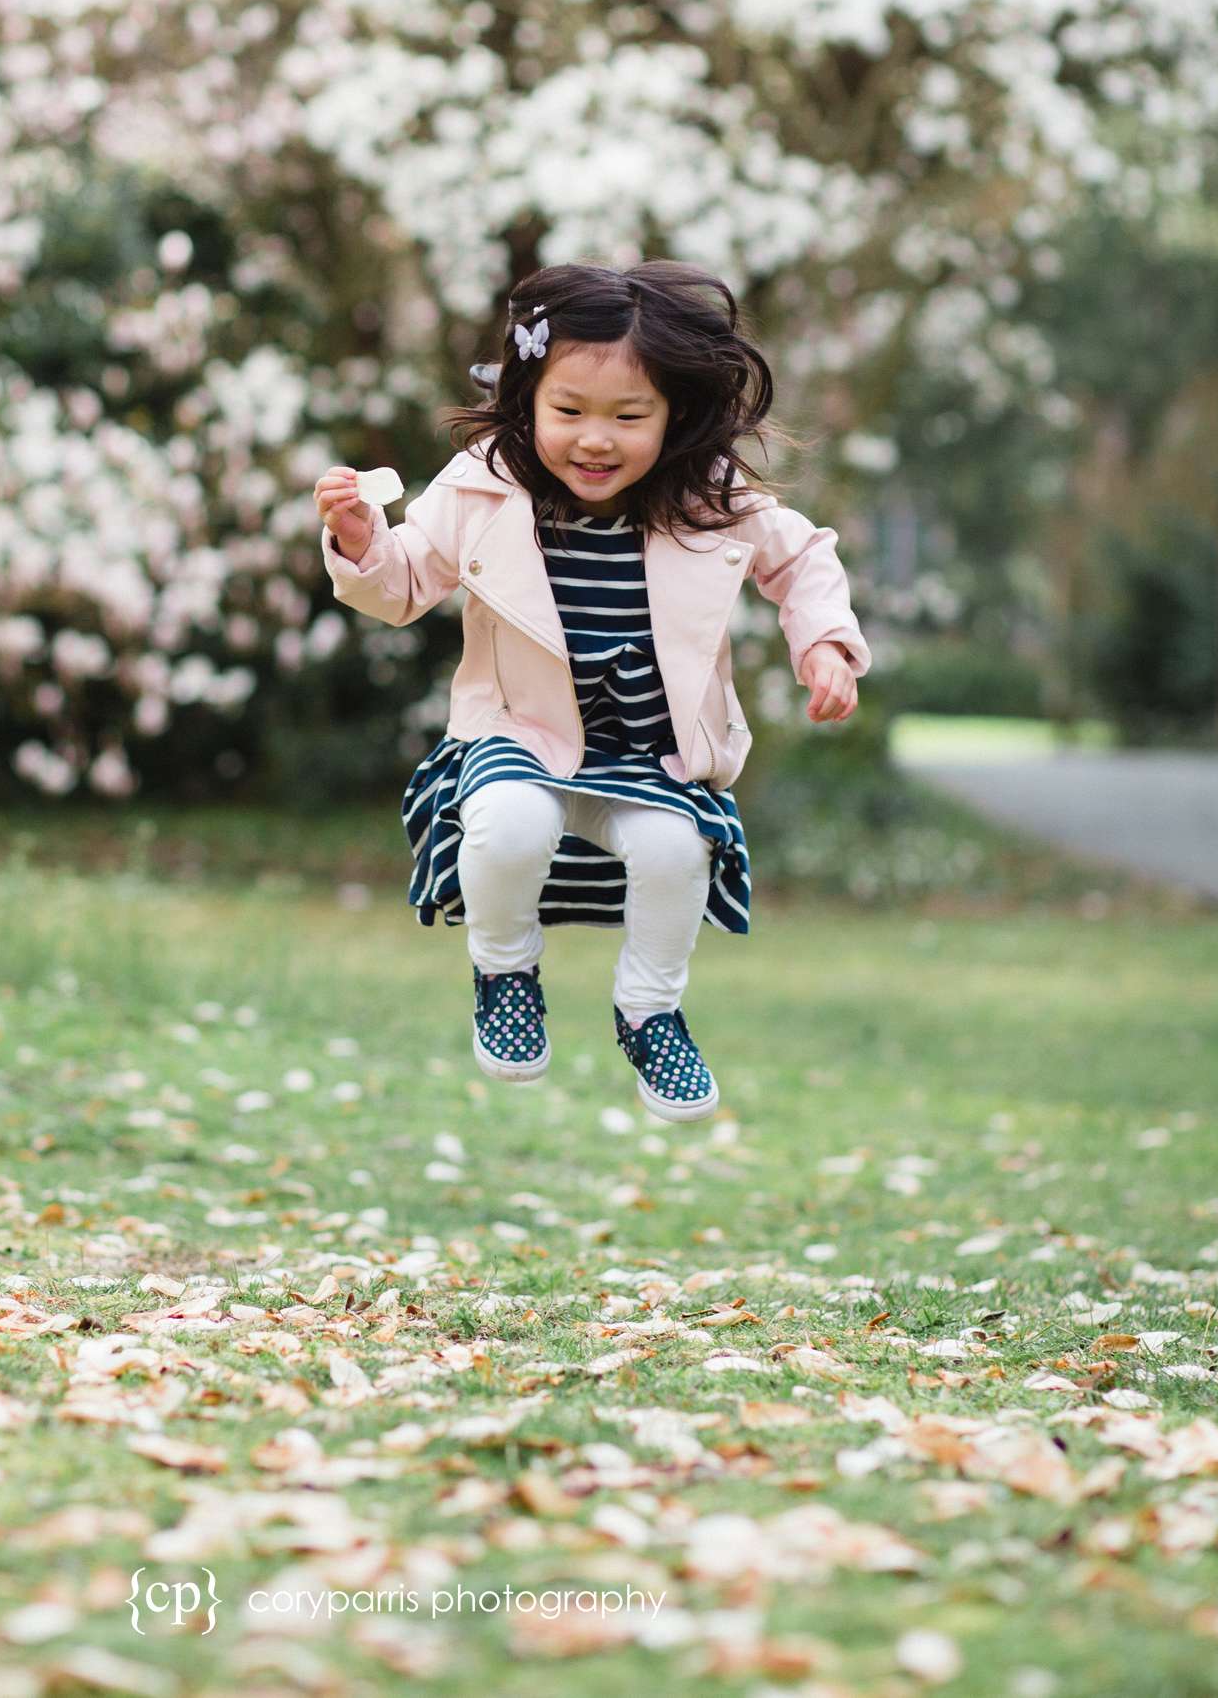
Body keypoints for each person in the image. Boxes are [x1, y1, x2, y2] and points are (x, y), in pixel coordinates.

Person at [313, 260, 871, 1124]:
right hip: (521, 730)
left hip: (647, 749)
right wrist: (359, 538)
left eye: (628, 416)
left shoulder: (705, 498)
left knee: (673, 853)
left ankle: (649, 1010)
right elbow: (401, 588)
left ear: (673, 414)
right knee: (510, 822)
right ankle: (503, 970)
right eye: (567, 412)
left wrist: (825, 643)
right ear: (527, 401)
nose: (595, 439)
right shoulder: (480, 488)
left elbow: (800, 557)